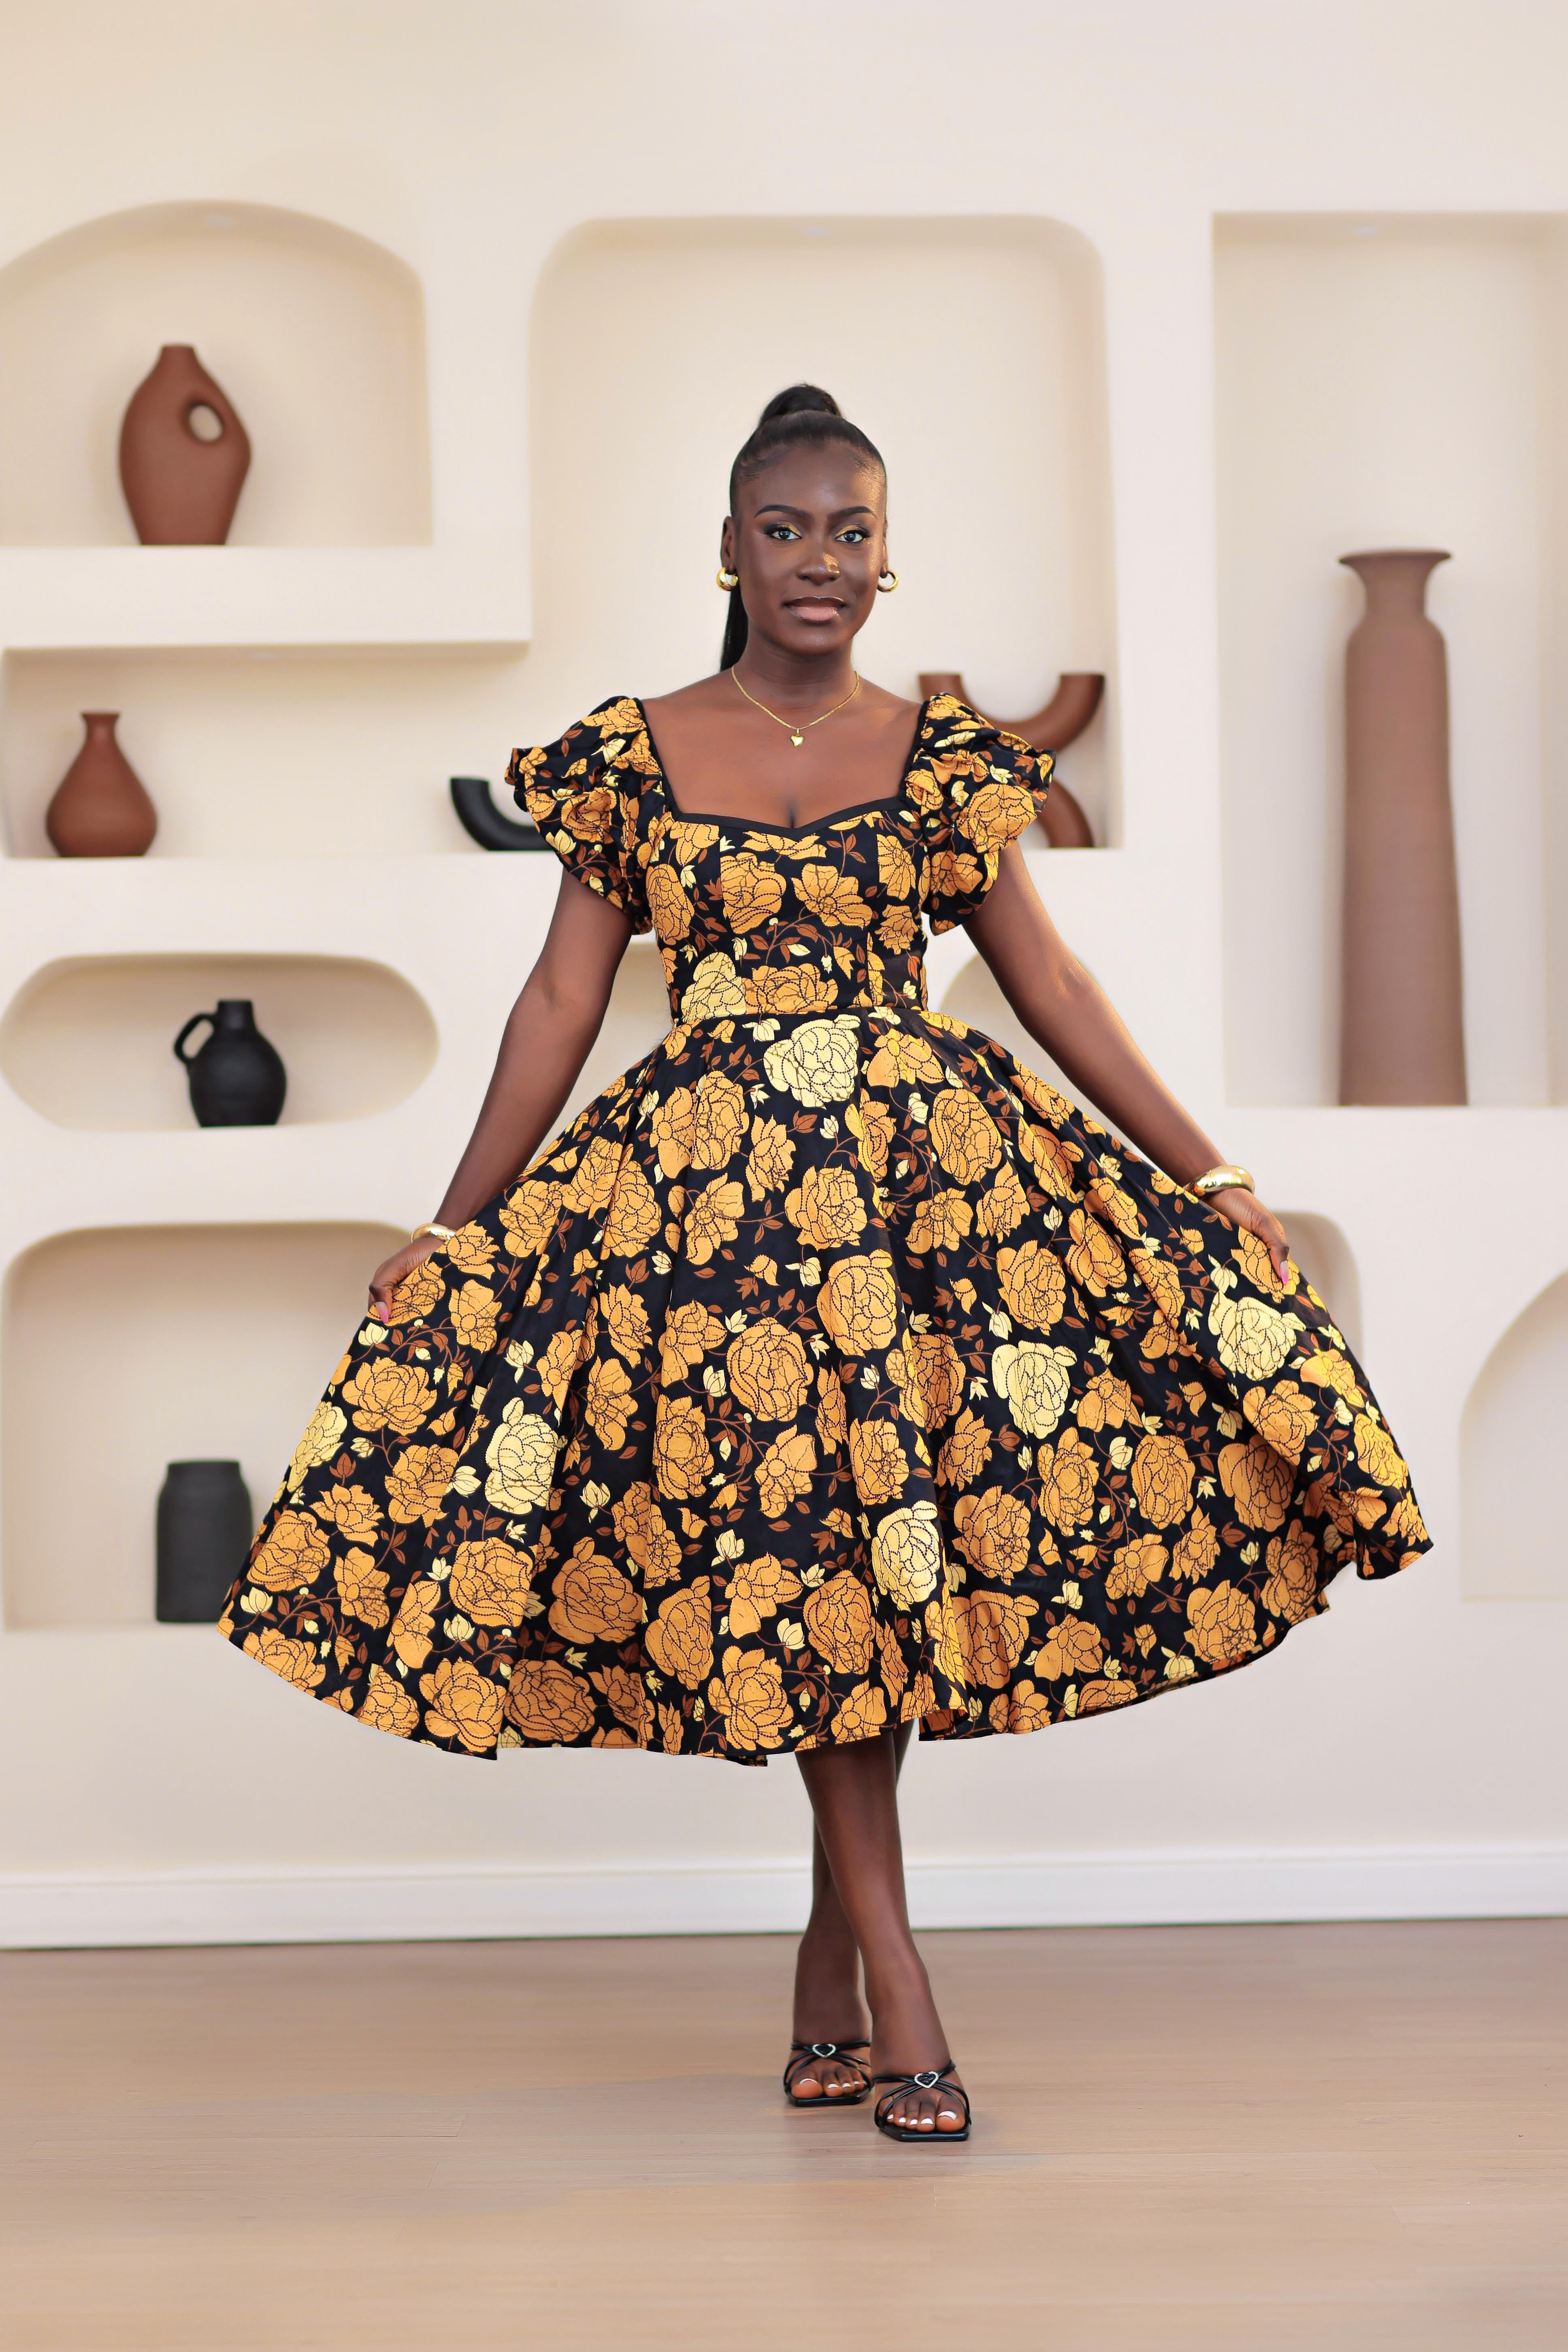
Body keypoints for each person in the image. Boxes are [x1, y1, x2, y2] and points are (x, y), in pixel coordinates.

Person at [221, 385, 1430, 2142]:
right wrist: (459, 1225)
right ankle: (897, 1984)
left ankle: (828, 1968)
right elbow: (559, 1000)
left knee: (872, 1564)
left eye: (849, 531)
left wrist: (1209, 1173)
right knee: (812, 1568)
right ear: (726, 549)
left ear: (886, 555)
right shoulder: (632, 754)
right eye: (783, 530)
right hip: (709, 1228)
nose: (818, 561)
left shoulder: (942, 757)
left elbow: (1048, 983)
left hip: (914, 1206)